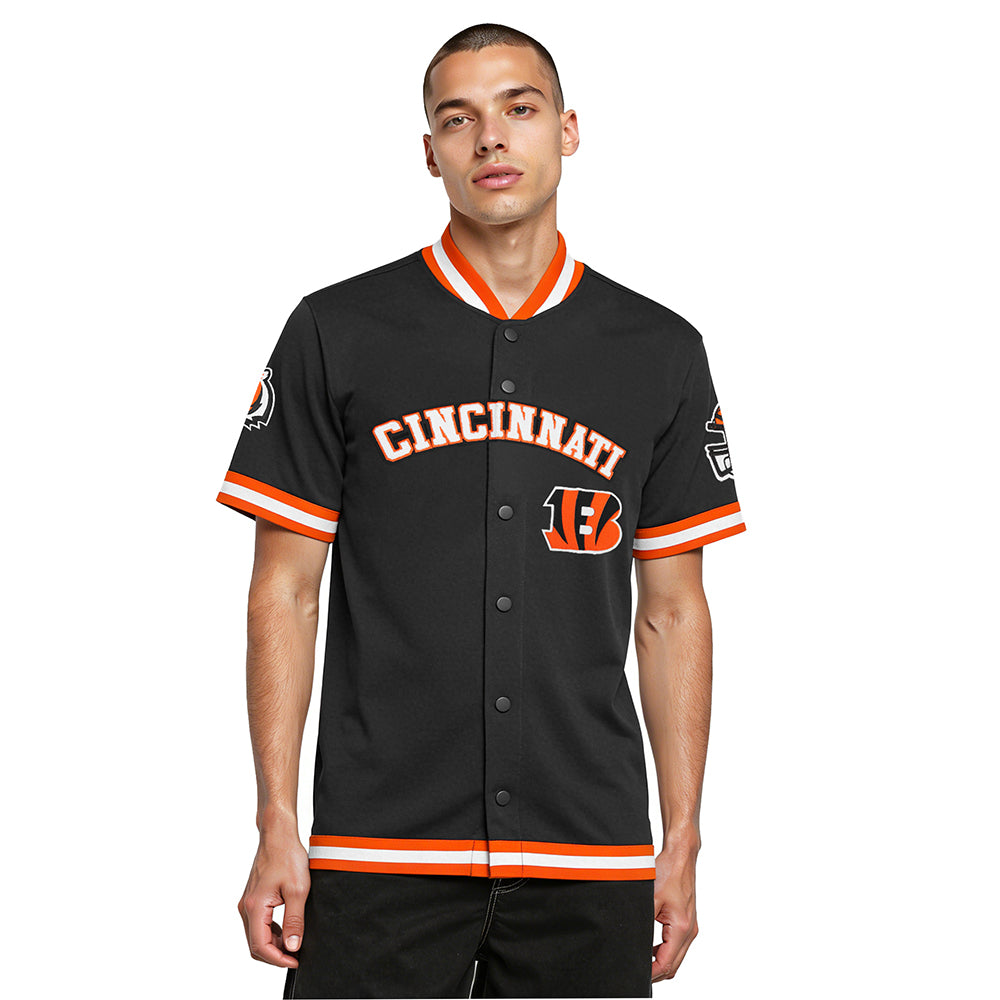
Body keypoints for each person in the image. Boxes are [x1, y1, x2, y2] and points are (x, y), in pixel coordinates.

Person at [218, 22, 746, 999]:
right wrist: (276, 821)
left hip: (588, 852)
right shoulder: (337, 330)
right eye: (458, 119)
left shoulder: (660, 351)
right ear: (430, 153)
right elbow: (284, 592)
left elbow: (673, 611)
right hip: (377, 847)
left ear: (568, 130)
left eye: (519, 108)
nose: (490, 137)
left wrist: (682, 838)